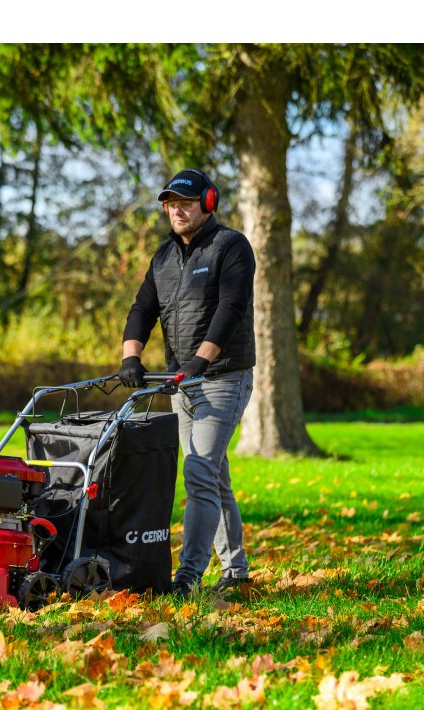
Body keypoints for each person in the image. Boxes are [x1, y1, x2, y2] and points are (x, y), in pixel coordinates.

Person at [118, 168, 255, 597]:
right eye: (171, 204)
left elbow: (231, 307)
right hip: (182, 383)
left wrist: (202, 359)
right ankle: (236, 570)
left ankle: (189, 575)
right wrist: (131, 357)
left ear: (208, 203)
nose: (177, 210)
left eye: (186, 203)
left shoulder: (230, 246)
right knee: (213, 477)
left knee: (198, 472)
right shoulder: (163, 256)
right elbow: (142, 309)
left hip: (223, 377)